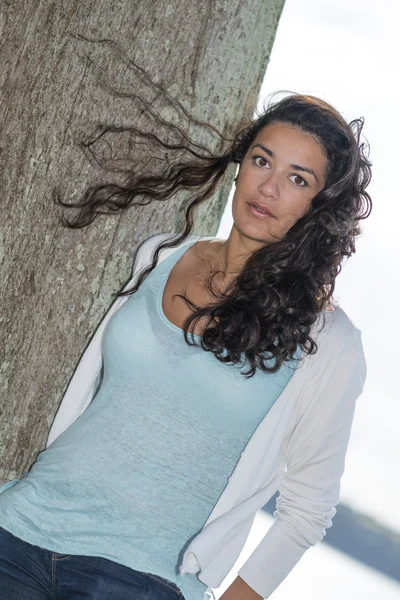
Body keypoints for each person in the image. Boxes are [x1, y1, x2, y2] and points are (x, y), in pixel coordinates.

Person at [0, 92, 372, 600]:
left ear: (319, 207)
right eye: (262, 160)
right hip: (18, 529)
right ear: (240, 166)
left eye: (297, 178)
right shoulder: (158, 256)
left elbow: (306, 511)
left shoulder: (327, 344)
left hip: (141, 579)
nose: (269, 187)